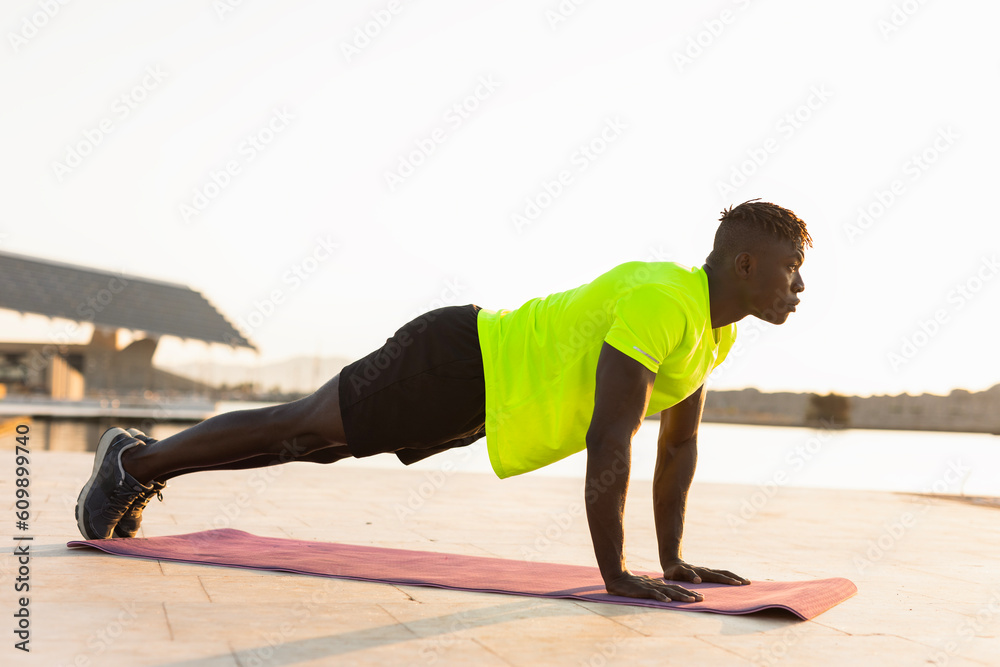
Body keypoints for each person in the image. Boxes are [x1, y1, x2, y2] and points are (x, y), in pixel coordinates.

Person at [76, 199, 810, 604]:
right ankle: (134, 460)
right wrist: (616, 571)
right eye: (790, 270)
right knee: (300, 425)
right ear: (745, 264)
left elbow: (677, 444)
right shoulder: (663, 301)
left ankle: (140, 463)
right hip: (456, 360)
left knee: (314, 442)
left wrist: (674, 559)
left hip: (477, 393)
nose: (798, 286)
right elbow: (610, 437)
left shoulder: (714, 336)